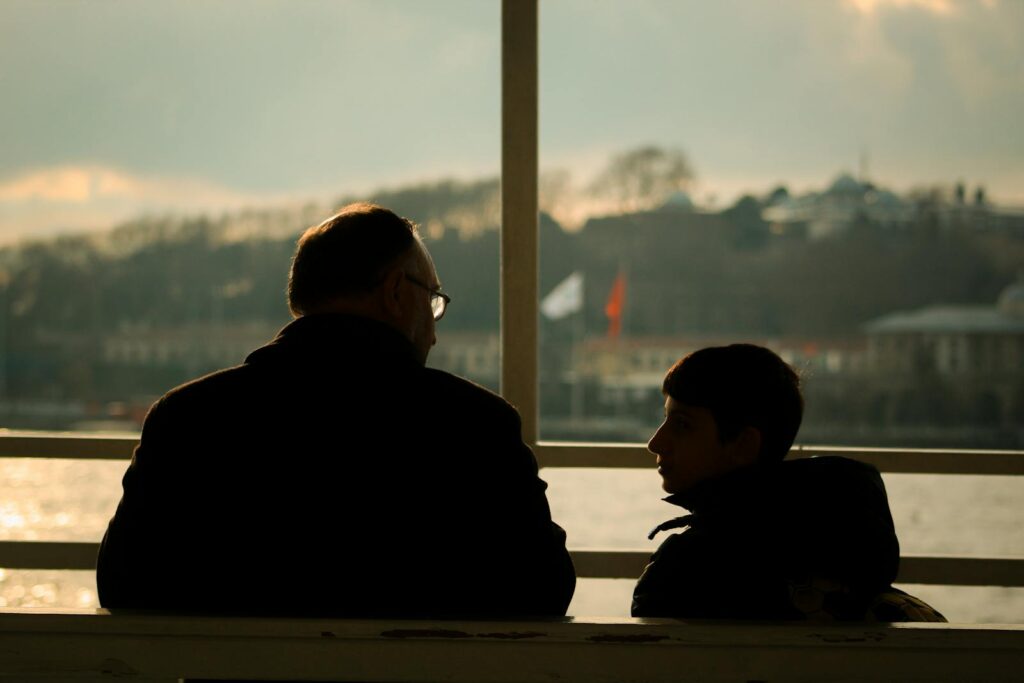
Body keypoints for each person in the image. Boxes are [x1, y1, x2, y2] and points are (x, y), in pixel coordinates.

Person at [97, 202, 575, 618]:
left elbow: (122, 582)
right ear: (395, 291)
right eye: (432, 300)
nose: (433, 332)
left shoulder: (187, 418)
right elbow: (545, 586)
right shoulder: (476, 425)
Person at [631, 344, 944, 621]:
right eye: (665, 419)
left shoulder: (682, 573)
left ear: (743, 445)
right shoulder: (857, 554)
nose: (655, 442)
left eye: (682, 425)